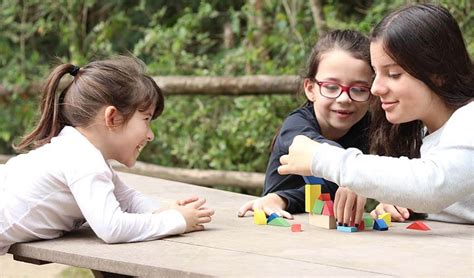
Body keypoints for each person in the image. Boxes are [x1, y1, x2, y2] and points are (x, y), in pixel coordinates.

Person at [278, 4, 473, 224]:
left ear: (438, 73)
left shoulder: (470, 118)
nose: (375, 89)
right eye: (376, 74)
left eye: (393, 74)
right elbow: (428, 194)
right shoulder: (420, 131)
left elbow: (432, 185)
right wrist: (399, 201)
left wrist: (323, 159)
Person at [0, 56, 215, 255]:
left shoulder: (81, 152)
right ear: (112, 117)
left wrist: (165, 209)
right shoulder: (82, 160)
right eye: (146, 119)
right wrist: (176, 221)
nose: (150, 135)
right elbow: (111, 228)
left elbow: (126, 199)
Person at [238, 30, 373, 227]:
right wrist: (281, 199)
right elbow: (316, 154)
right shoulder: (295, 127)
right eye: (331, 87)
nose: (344, 98)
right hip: (286, 228)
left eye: (359, 89)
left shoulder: (367, 126)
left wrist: (391, 200)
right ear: (310, 89)